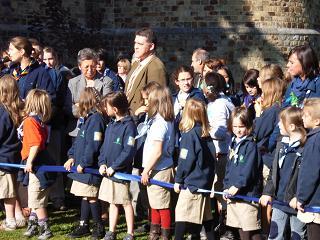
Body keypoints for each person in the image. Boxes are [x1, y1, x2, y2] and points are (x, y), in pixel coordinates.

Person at [64, 87, 106, 239]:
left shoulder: (96, 119)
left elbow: (93, 145)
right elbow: (79, 141)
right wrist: (71, 156)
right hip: (81, 165)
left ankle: (98, 227)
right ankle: (84, 225)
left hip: (89, 167)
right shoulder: (87, 119)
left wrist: (84, 163)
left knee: (91, 197)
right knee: (84, 196)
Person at [260, 107, 307, 240]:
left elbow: (306, 177)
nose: (278, 125)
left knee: (297, 235)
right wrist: (267, 192)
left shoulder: (305, 148)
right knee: (275, 235)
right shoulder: (281, 144)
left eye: (281, 122)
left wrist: (299, 197)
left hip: (296, 203)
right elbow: (273, 172)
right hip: (279, 200)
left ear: (291, 126)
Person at [174, 98, 216, 239]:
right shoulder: (206, 134)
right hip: (204, 183)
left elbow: (185, 161)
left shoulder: (189, 135)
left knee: (181, 216)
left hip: (192, 184)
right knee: (206, 218)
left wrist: (178, 179)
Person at [98, 91, 137, 240]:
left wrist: (115, 167)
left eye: (106, 106)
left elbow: (129, 151)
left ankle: (130, 233)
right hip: (108, 173)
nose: (104, 109)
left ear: (114, 109)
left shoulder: (129, 126)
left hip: (119, 174)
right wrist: (102, 163)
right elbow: (104, 147)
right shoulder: (111, 125)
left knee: (125, 203)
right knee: (112, 202)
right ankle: (111, 231)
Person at [19, 89, 55, 239]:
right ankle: (33, 226)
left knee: (36, 200)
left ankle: (45, 229)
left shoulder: (30, 122)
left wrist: (29, 161)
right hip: (39, 163)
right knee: (34, 198)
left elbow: (35, 144)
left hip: (37, 166)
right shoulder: (38, 120)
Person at [223, 106, 263, 240]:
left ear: (248, 125)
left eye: (241, 126)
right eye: (234, 126)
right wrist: (226, 186)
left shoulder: (251, 145)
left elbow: (249, 170)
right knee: (240, 227)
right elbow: (228, 167)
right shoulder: (233, 143)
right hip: (234, 194)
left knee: (249, 228)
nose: (238, 130)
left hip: (247, 195)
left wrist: (238, 186)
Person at [140, 86, 175, 240]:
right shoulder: (162, 119)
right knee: (154, 203)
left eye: (149, 100)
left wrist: (146, 170)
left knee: (162, 205)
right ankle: (154, 231)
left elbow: (158, 151)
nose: (146, 102)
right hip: (157, 168)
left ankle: (165, 233)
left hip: (159, 169)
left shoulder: (160, 123)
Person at [64, 48, 113, 137]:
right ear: (79, 66)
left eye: (93, 66)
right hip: (76, 131)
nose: (90, 70)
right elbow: (68, 108)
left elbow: (106, 106)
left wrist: (81, 105)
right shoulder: (73, 82)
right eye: (86, 67)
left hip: (97, 129)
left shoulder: (106, 81)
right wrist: (92, 107)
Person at [293, 98, 320, 240]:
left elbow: (310, 172)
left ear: (317, 121)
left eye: (306, 115)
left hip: (315, 203)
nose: (302, 117)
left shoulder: (314, 140)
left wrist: (301, 197)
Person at [0, 75, 24, 231]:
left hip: (4, 157)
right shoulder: (19, 109)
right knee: (12, 189)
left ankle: (10, 221)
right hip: (15, 156)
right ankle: (19, 217)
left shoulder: (3, 111)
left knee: (7, 192)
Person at [125, 27, 167, 114]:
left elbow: (157, 100)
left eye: (140, 44)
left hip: (141, 119)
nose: (136, 47)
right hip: (129, 116)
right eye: (135, 43)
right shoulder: (136, 63)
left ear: (151, 46)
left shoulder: (156, 67)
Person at [7, 36, 55, 101]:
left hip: (29, 110)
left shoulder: (40, 72)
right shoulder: (11, 70)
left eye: (11, 49)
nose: (9, 53)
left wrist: (29, 102)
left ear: (22, 52)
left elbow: (49, 97)